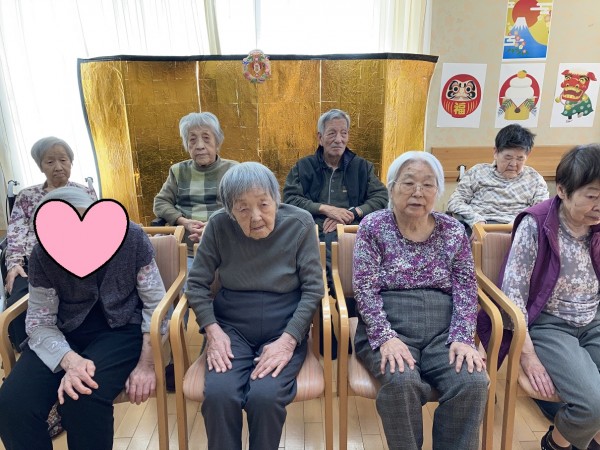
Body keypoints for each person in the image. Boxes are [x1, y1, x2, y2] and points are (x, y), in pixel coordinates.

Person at [0, 186, 167, 450]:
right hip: (63, 330)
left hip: (122, 328)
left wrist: (147, 363)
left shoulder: (131, 237)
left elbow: (156, 302)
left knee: (83, 397)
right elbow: (40, 321)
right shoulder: (43, 254)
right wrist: (70, 360)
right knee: (13, 404)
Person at [353, 151, 488, 450]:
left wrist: (463, 337)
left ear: (438, 191)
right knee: (401, 382)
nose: (418, 192)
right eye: (409, 183)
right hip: (390, 326)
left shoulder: (453, 230)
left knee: (472, 382)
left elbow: (466, 287)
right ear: (391, 188)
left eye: (428, 184)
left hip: (444, 331)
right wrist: (385, 337)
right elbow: (364, 288)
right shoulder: (373, 227)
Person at [186, 162, 323, 450]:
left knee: (265, 397)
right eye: (243, 209)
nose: (256, 217)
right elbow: (195, 285)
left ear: (276, 198)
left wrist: (288, 340)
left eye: (263, 204)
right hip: (231, 328)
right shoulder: (218, 226)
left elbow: (313, 289)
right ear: (229, 211)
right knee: (220, 395)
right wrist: (213, 331)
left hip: (284, 327)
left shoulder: (300, 224)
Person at [478, 144, 600, 450]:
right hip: (550, 324)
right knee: (592, 405)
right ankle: (557, 443)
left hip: (594, 320)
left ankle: (580, 438)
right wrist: (527, 355)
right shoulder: (537, 225)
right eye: (592, 196)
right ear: (562, 190)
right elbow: (513, 296)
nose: (599, 205)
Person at [4, 136, 97, 350]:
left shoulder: (84, 193)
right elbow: (15, 234)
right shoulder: (26, 196)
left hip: (77, 261)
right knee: (19, 297)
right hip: (34, 264)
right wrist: (14, 264)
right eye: (50, 161)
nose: (58, 167)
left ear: (71, 162)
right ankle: (29, 349)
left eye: (63, 160)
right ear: (40, 166)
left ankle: (77, 344)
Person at [283, 108, 388, 291]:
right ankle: (321, 296)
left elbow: (381, 197)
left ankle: (342, 297)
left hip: (351, 229)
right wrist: (325, 209)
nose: (339, 139)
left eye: (344, 133)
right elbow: (290, 198)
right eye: (332, 133)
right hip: (314, 228)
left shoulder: (362, 167)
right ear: (320, 137)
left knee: (346, 248)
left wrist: (352, 213)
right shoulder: (304, 166)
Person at [153, 111, 238, 261]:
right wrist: (184, 222)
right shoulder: (178, 171)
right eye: (192, 140)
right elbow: (160, 203)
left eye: (206, 138)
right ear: (186, 145)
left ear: (217, 142)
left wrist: (213, 225)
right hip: (186, 249)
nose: (199, 146)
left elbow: (243, 206)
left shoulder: (233, 170)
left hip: (226, 247)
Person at [447, 123, 549, 236]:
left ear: (527, 156)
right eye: (508, 157)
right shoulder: (477, 172)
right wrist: (475, 220)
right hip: (479, 227)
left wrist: (518, 223)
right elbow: (455, 201)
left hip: (518, 231)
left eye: (520, 158)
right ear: (496, 152)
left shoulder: (535, 179)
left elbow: (541, 210)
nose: (513, 164)